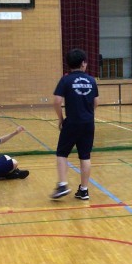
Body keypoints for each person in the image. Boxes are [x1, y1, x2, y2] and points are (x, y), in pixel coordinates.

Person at [51, 48, 99, 200]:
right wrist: (88, 113)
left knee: (62, 153)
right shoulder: (92, 80)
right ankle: (84, 190)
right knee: (85, 156)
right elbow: (96, 102)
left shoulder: (65, 80)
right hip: (88, 123)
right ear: (83, 63)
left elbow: (57, 101)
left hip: (72, 122)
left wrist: (61, 118)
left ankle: (63, 184)